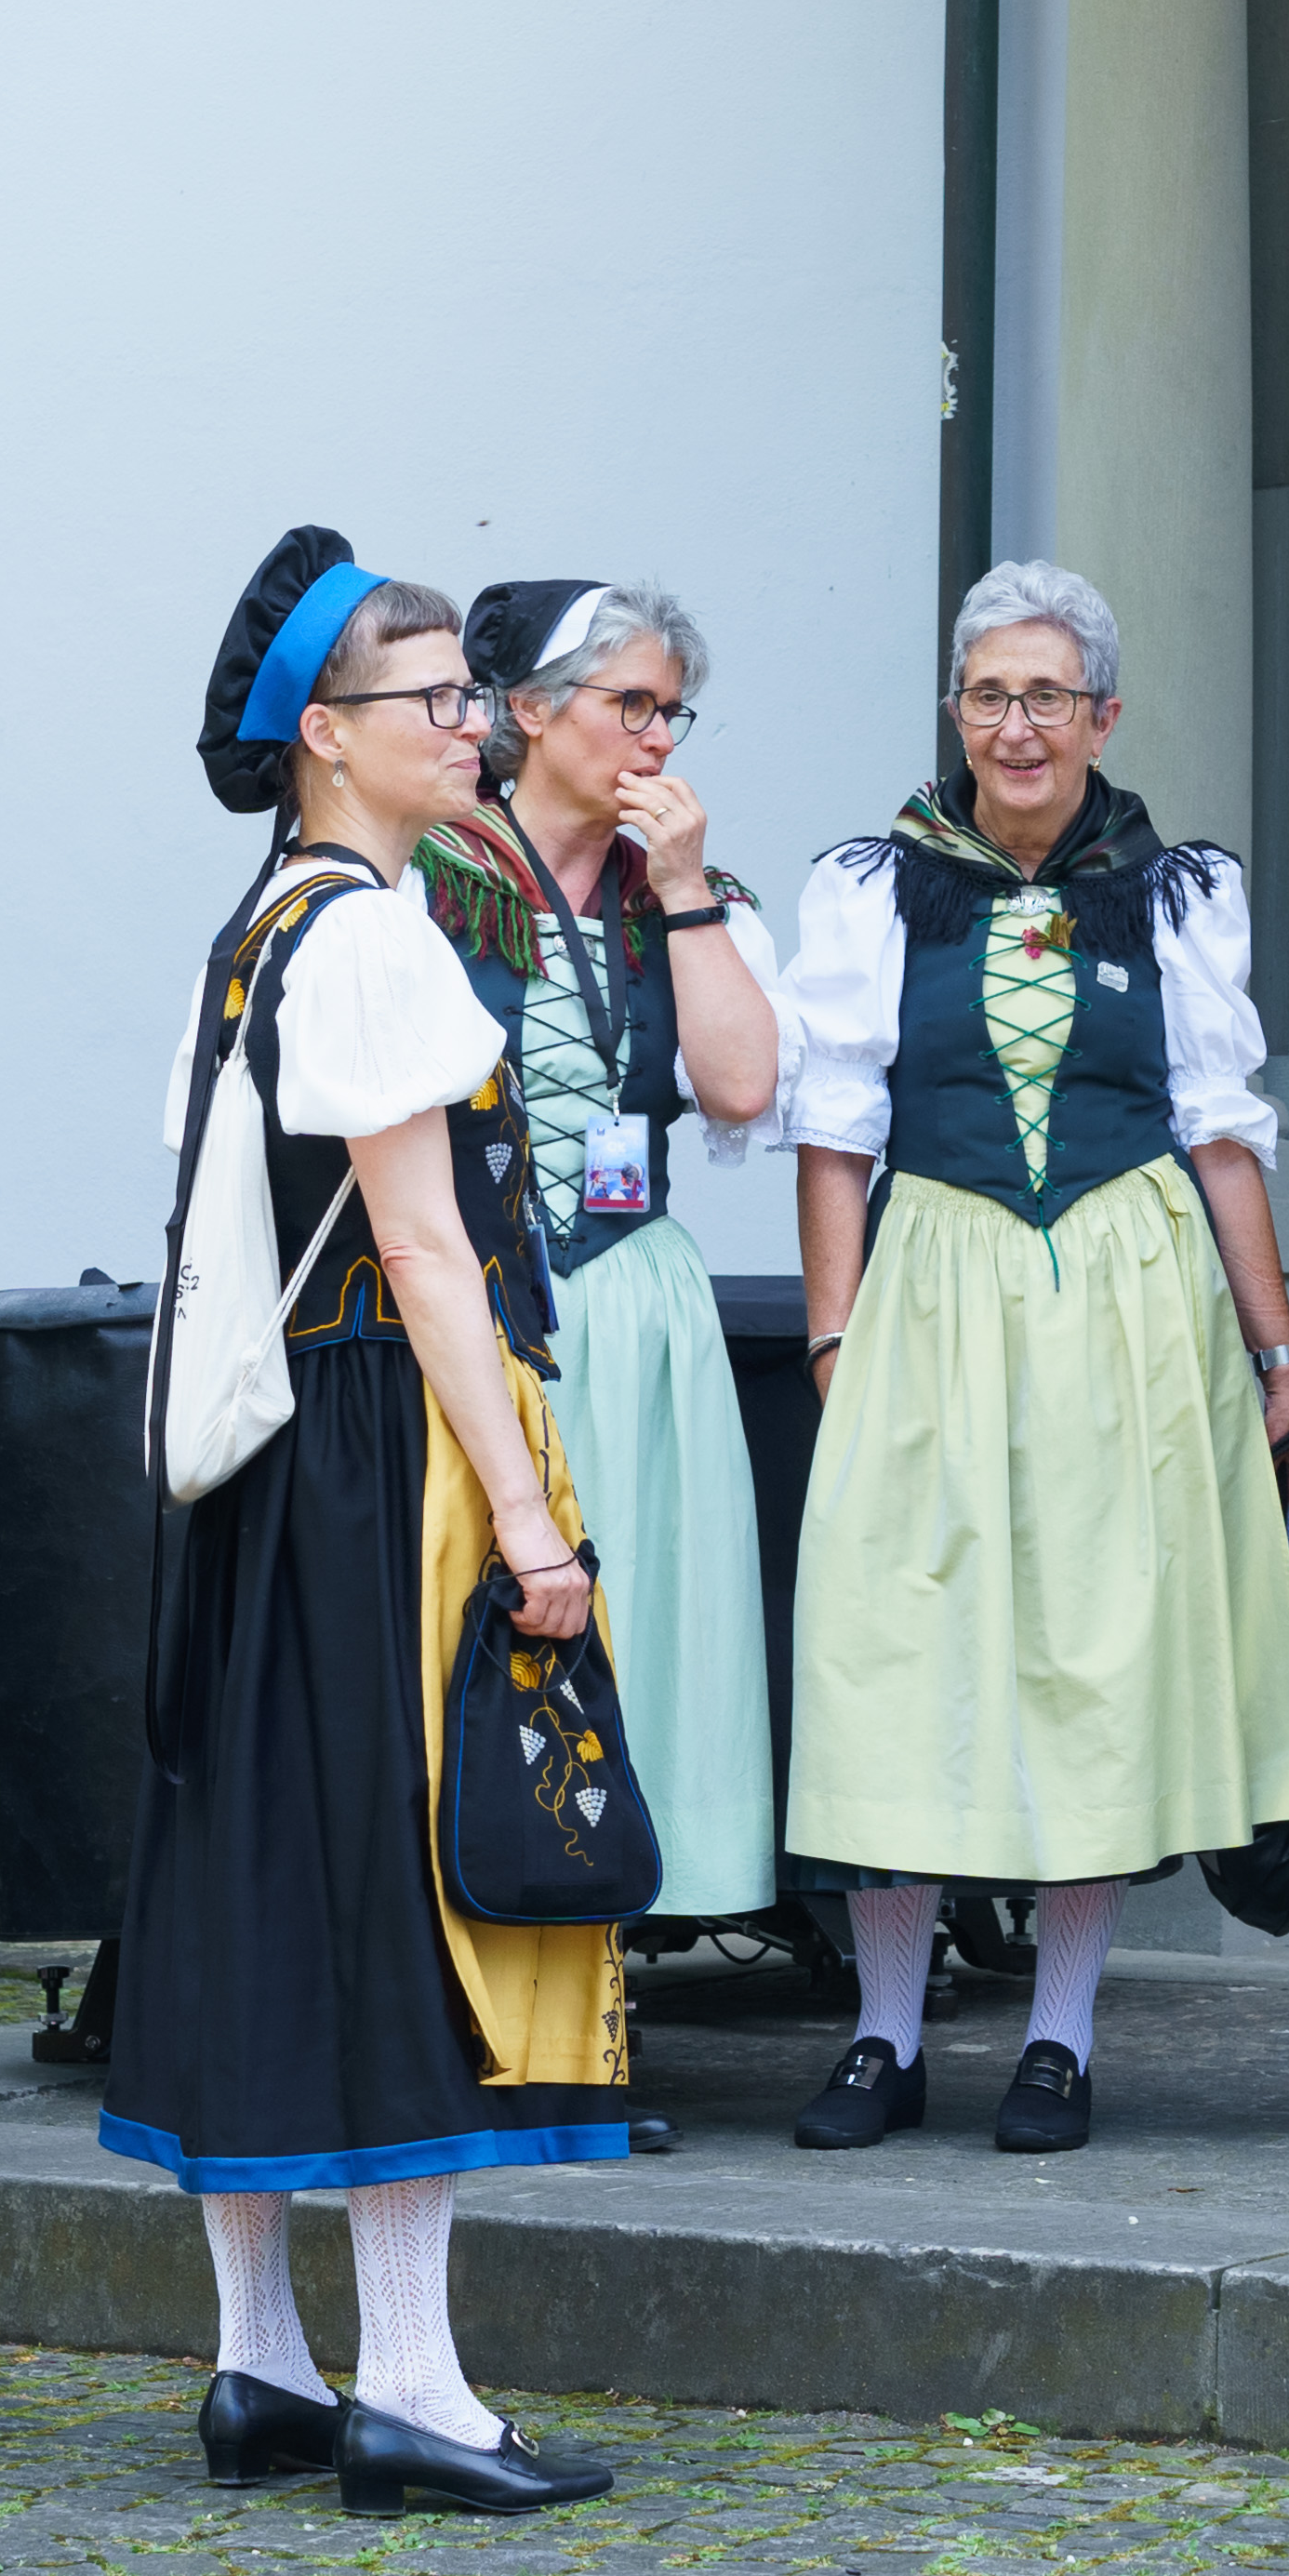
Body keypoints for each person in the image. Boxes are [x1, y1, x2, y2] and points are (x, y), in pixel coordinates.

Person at [104, 526, 627, 2514]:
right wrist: (530, 1524)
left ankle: (260, 2367)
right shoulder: (380, 936)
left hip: (264, 1466)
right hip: (378, 1452)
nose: (470, 724)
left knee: (259, 1868)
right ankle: (410, 2388)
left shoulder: (257, 929)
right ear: (327, 734)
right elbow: (424, 1248)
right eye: (432, 699)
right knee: (399, 1881)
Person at [774, 560, 1289, 2154]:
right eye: (990, 695)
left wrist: (1276, 1345)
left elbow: (1221, 1134)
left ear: (1103, 717)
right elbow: (832, 1132)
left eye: (1048, 697)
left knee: (1095, 1653)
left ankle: (1059, 2036)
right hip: (932, 1277)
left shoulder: (1174, 892)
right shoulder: (876, 888)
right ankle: (884, 2033)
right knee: (894, 1645)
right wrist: (832, 1331)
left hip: (1127, 1290)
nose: (1018, 726)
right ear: (958, 711)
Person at [416, 581, 783, 2022]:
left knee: (642, 1638)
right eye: (629, 702)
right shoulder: (426, 876)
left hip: (632, 1302)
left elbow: (740, 1087)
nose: (657, 735)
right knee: (478, 1637)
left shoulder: (682, 896)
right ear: (527, 711)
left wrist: (684, 889)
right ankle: (467, 1985)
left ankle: (601, 1997)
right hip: (476, 1299)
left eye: (670, 710)